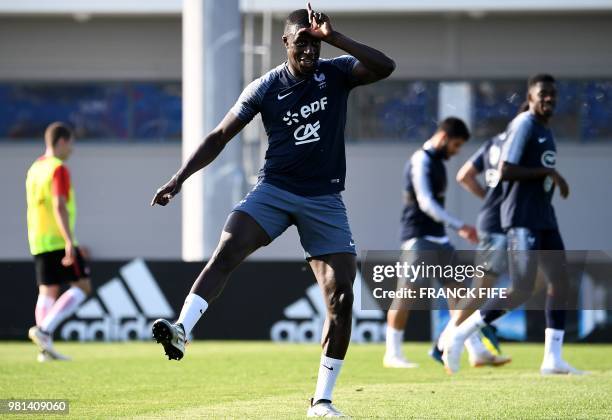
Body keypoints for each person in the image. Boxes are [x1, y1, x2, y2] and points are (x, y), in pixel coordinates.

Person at [150, 4, 395, 417]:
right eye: (302, 43)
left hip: (324, 199)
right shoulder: (264, 87)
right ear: (285, 42)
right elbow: (219, 136)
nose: (309, 52)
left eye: (314, 44)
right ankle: (181, 330)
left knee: (342, 296)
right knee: (228, 247)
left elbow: (385, 66)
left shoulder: (335, 72)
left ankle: (322, 400)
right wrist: (179, 178)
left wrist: (333, 38)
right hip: (275, 190)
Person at [444, 74, 582, 375]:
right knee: (521, 289)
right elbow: (506, 170)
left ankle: (552, 359)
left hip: (544, 216)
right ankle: (459, 333)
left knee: (561, 281)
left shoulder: (545, 130)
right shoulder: (524, 124)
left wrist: (547, 176)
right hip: (522, 218)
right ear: (530, 98)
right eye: (543, 93)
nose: (549, 99)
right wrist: (548, 173)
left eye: (553, 94)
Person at [384, 117, 495, 368]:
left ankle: (475, 350)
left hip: (440, 239)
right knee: (407, 293)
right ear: (444, 138)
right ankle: (392, 354)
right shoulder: (420, 160)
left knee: (460, 294)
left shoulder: (438, 164)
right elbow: (425, 202)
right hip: (418, 237)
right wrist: (460, 226)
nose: (456, 151)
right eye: (456, 145)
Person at [26, 122, 92, 362]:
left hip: (38, 239)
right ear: (62, 141)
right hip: (57, 237)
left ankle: (45, 349)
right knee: (83, 286)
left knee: (47, 290)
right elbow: (58, 204)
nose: (72, 149)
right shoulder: (58, 169)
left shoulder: (34, 169)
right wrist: (68, 240)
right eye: (71, 143)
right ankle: (44, 331)